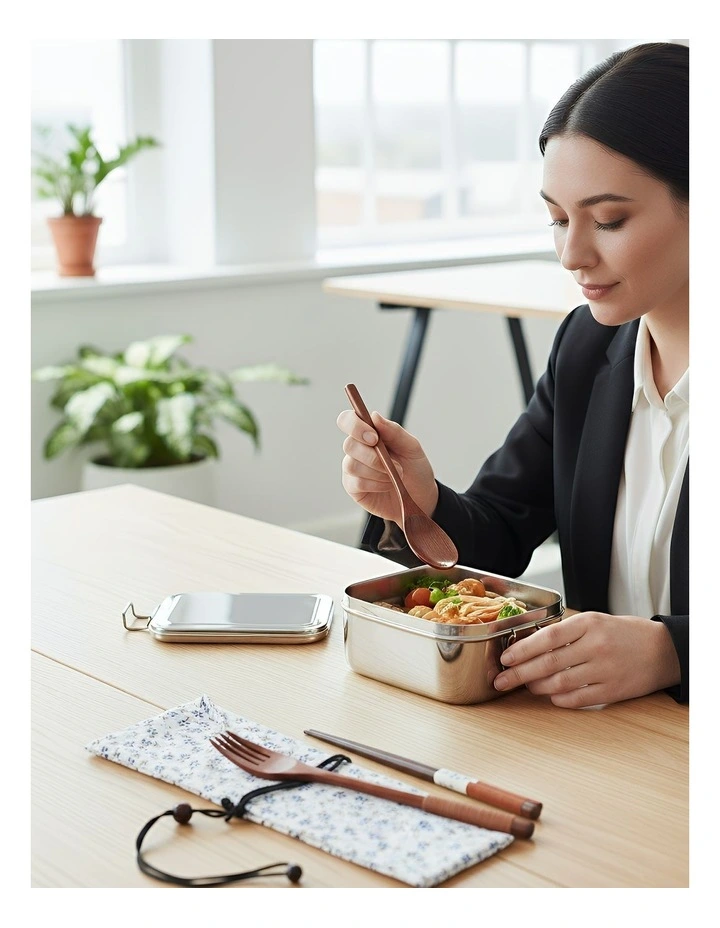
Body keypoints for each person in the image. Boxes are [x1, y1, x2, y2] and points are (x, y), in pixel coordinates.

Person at [337, 42, 689, 708]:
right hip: (600, 737)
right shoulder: (588, 347)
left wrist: (675, 651)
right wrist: (419, 504)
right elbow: (499, 530)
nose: (571, 253)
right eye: (557, 218)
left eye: (609, 220)